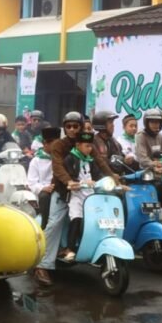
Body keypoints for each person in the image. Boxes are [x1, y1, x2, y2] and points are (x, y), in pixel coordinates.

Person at [34, 112, 120, 286]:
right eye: (69, 126)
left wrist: (116, 179)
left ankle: (81, 249)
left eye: (76, 126)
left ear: (81, 126)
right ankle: (42, 265)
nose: (72, 129)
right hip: (63, 190)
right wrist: (69, 182)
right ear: (64, 128)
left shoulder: (87, 143)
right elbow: (57, 167)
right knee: (54, 222)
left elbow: (101, 163)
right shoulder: (59, 145)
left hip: (82, 192)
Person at [62, 131, 100, 260]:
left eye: (91, 146)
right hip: (75, 195)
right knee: (76, 218)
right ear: (78, 145)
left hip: (91, 196)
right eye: (87, 146)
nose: (89, 149)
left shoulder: (90, 160)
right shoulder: (70, 158)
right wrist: (83, 183)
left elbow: (97, 176)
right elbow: (70, 178)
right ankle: (70, 248)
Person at [28, 127, 61, 229]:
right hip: (45, 189)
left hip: (60, 187)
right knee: (44, 196)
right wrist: (44, 187)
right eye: (54, 144)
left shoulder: (61, 157)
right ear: (45, 144)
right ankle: (44, 224)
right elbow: (32, 182)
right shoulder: (36, 160)